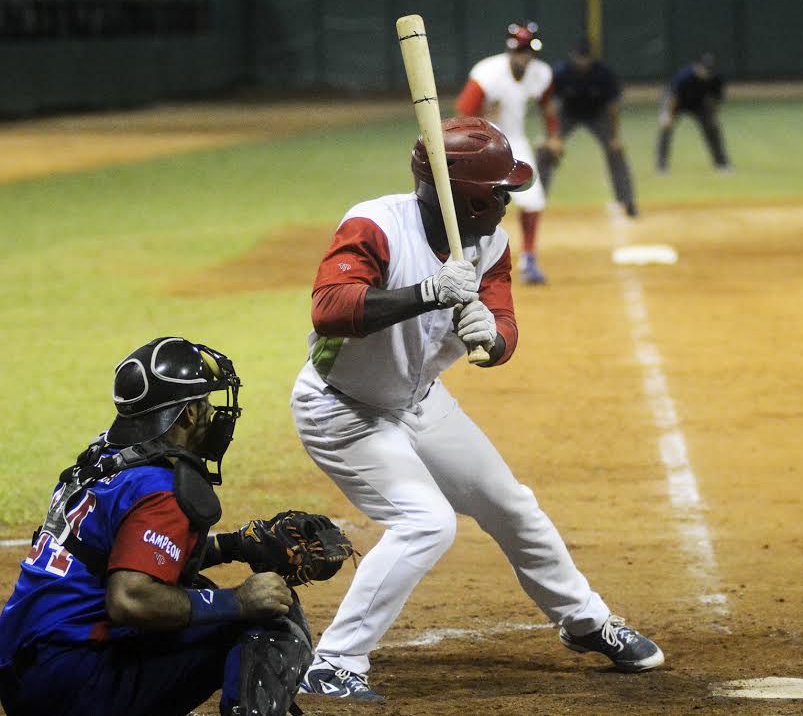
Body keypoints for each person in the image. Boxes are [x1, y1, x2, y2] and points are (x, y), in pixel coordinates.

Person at [291, 116, 664, 703]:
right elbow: (330, 308)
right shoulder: (376, 225)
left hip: (419, 401)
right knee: (425, 523)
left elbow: (505, 327)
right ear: (466, 198)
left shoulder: (489, 242)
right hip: (343, 410)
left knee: (510, 503)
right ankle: (334, 662)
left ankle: (586, 621)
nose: (507, 201)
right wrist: (428, 293)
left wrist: (491, 340)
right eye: (499, 191)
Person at [0, 337, 321, 716]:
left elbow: (123, 553)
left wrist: (233, 547)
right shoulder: (160, 488)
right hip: (73, 685)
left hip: (23, 673)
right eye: (205, 404)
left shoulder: (103, 458)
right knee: (271, 615)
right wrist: (236, 601)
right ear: (186, 415)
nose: (214, 414)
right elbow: (130, 598)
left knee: (188, 592)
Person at [456, 21, 561, 284]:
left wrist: (554, 136)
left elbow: (547, 107)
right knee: (478, 205)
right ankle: (467, 262)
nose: (523, 57)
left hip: (516, 141)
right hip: (484, 144)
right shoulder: (487, 73)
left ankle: (528, 260)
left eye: (527, 52)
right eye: (519, 51)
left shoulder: (541, 73)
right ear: (510, 51)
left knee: (534, 200)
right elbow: (463, 115)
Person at [538, 37, 638, 217]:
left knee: (616, 152)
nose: (583, 62)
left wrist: (614, 138)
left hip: (597, 114)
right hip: (568, 113)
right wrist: (551, 136)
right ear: (573, 57)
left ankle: (628, 202)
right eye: (580, 57)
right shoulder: (561, 73)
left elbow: (612, 108)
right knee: (547, 152)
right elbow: (549, 105)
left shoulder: (603, 74)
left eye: (586, 58)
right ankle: (536, 201)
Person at [656, 52, 731, 173]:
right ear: (698, 67)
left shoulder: (716, 78)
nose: (707, 73)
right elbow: (672, 97)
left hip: (698, 104)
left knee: (713, 128)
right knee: (666, 128)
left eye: (710, 71)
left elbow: (717, 100)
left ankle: (722, 164)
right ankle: (661, 165)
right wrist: (667, 114)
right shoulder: (684, 77)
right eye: (705, 70)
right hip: (677, 103)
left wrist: (713, 116)